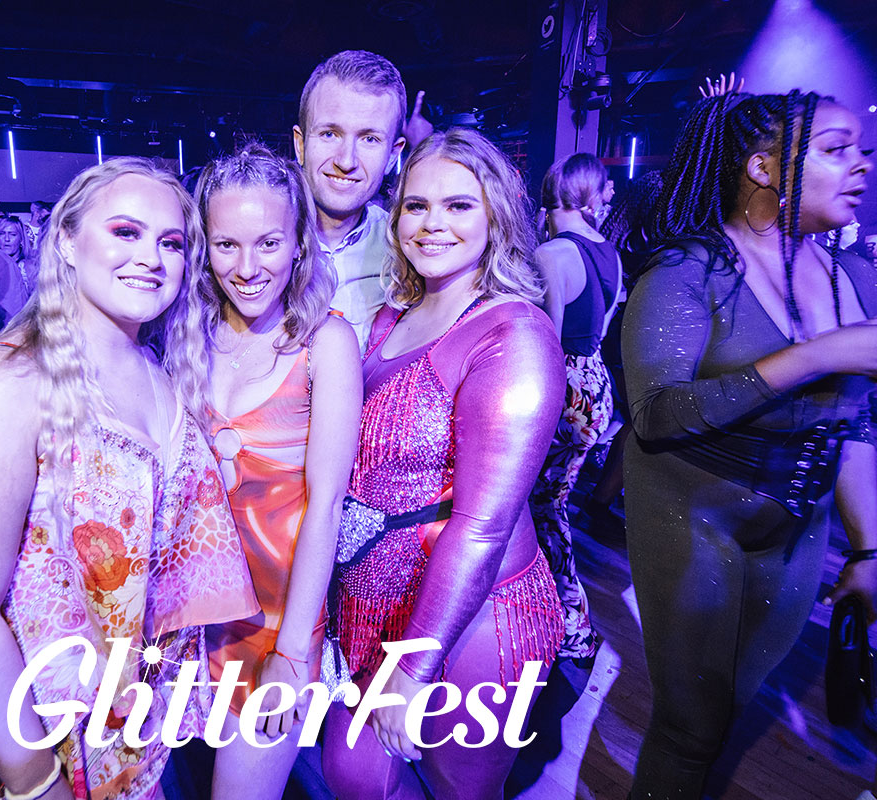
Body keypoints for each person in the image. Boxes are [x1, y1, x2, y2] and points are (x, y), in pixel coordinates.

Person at [0, 158, 258, 800]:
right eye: (125, 232)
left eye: (171, 243)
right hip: (30, 743)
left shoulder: (157, 369)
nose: (151, 258)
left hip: (129, 731)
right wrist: (35, 783)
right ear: (65, 240)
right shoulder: (4, 385)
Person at [622, 90, 877, 797]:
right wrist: (817, 354)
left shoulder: (851, 277)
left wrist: (868, 550)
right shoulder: (688, 270)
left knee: (727, 713)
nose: (862, 164)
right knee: (687, 729)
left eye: (861, 150)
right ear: (763, 169)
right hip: (694, 519)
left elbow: (853, 424)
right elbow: (657, 414)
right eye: (836, 149)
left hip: (797, 534)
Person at [322, 128, 566, 800]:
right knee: (353, 772)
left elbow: (483, 525)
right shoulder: (389, 318)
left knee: (461, 791)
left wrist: (415, 669)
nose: (432, 224)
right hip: (375, 605)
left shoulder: (514, 334)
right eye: (416, 205)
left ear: (496, 215)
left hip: (476, 619)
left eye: (458, 205)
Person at [193, 143, 361, 799]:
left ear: (298, 244)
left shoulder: (326, 343)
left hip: (275, 622)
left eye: (268, 242)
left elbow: (326, 506)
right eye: (226, 245)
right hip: (186, 618)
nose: (246, 268)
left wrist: (292, 652)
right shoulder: (186, 333)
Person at [528, 153, 623, 661]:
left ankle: (570, 623)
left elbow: (547, 345)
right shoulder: (609, 251)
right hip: (596, 386)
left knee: (541, 510)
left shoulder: (553, 254)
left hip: (564, 392)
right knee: (549, 504)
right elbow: (599, 330)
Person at [293, 50, 408, 347]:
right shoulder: (253, 244)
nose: (346, 161)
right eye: (329, 134)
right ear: (300, 144)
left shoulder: (407, 253)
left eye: (369, 139)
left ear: (392, 155)